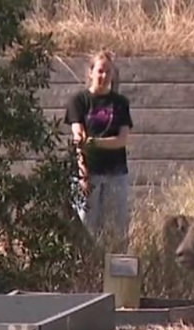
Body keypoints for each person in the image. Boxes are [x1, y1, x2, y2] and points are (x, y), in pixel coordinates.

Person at [65, 50, 134, 251]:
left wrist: (93, 142)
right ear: (91, 72)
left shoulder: (121, 103)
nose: (104, 76)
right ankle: (87, 271)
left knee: (117, 230)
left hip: (116, 173)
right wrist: (83, 172)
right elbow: (78, 139)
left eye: (108, 72)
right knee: (87, 229)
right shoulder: (78, 101)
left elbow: (122, 140)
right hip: (88, 173)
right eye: (100, 71)